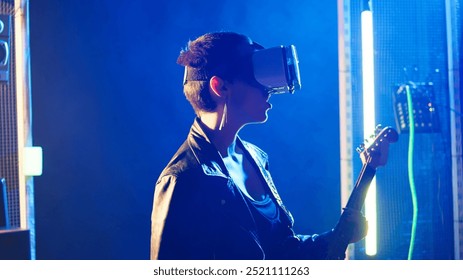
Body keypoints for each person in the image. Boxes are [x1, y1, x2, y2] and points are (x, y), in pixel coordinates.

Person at [150, 31, 367, 260]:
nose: (270, 89)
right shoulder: (182, 180)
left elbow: (282, 252)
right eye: (256, 78)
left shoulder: (255, 157)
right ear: (220, 87)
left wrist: (334, 238)